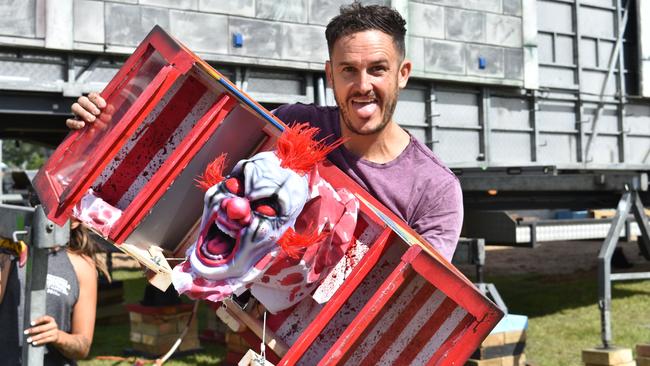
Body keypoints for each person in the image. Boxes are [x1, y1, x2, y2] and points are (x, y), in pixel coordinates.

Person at [65, 3, 462, 261]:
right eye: (348, 70)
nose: (362, 85)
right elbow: (185, 166)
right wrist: (106, 126)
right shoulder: (290, 125)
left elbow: (417, 299)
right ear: (330, 75)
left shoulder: (435, 189)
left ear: (402, 74)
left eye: (377, 69)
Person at [0, 222, 105, 365]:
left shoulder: (82, 267)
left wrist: (58, 336)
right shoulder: (10, 252)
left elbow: (83, 347)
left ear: (75, 222)